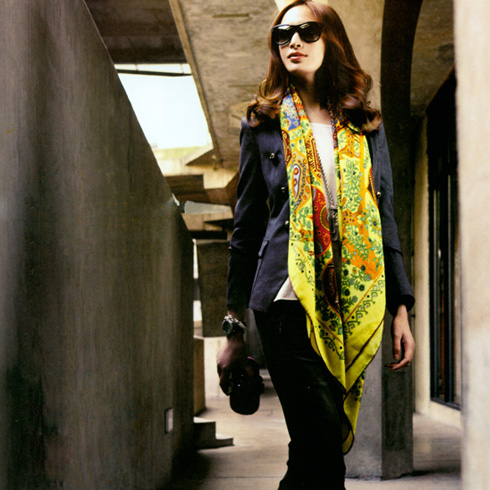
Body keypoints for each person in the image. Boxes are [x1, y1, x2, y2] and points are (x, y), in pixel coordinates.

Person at [217, 1, 415, 488]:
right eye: (283, 35)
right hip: (284, 303)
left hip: (350, 302)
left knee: (313, 452)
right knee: (323, 440)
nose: (293, 42)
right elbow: (246, 227)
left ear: (332, 39)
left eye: (307, 31)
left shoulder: (365, 125)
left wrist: (401, 307)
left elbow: (384, 218)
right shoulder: (262, 125)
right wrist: (233, 325)